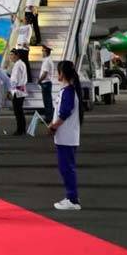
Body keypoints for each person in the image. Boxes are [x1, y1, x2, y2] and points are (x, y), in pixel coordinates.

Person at [49, 60, 82, 210]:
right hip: (66, 136)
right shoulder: (68, 90)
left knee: (66, 168)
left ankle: (72, 200)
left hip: (66, 137)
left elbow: (64, 112)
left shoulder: (68, 91)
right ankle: (71, 197)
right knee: (66, 168)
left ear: (62, 73)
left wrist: (53, 126)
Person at [8, 49, 28, 136]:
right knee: (20, 111)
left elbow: (14, 80)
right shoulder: (22, 63)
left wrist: (10, 91)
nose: (10, 57)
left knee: (18, 111)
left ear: (17, 55)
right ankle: (22, 129)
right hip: (22, 89)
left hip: (17, 90)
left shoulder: (17, 65)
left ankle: (20, 129)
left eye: (12, 55)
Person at [38, 46, 55, 123]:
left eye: (43, 51)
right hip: (47, 83)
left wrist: (39, 80)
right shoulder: (48, 60)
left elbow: (45, 73)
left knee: (47, 101)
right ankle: (50, 116)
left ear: (46, 52)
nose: (42, 52)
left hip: (46, 83)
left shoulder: (47, 61)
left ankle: (49, 117)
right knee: (48, 101)